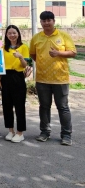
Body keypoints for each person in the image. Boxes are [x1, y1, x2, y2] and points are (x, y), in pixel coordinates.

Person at [29, 11, 76, 146]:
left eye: (49, 20)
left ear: (54, 21)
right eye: (44, 21)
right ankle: (45, 132)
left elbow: (73, 53)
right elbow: (33, 54)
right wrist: (43, 63)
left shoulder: (63, 36)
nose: (46, 23)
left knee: (63, 107)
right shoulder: (36, 37)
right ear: (41, 22)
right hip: (42, 78)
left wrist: (58, 53)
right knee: (44, 106)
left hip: (60, 78)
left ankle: (66, 135)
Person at [0, 25, 29, 143]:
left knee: (19, 105)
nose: (12, 35)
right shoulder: (3, 48)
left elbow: (24, 65)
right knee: (6, 105)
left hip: (18, 77)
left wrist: (21, 57)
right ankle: (10, 130)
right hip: (5, 76)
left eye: (14, 33)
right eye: (9, 33)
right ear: (6, 35)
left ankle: (20, 132)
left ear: (18, 34)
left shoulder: (23, 47)